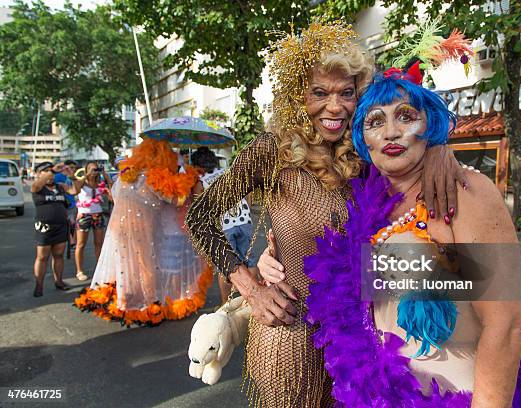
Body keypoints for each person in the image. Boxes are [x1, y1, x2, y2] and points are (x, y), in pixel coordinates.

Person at [186, 21, 468, 407]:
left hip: (362, 339)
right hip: (290, 332)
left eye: (346, 93)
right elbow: (200, 216)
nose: (334, 107)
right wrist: (251, 287)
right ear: (297, 96)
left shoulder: (368, 151)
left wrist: (438, 151)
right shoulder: (273, 149)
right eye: (320, 92)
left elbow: (409, 153)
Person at [260, 70, 521, 407]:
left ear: (430, 126)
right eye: (375, 122)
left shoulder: (463, 192)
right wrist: (271, 259)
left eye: (406, 116)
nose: (392, 132)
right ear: (363, 139)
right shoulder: (366, 203)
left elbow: (506, 325)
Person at [74, 139, 213, 326]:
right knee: (146, 267)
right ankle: (148, 308)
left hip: (118, 229)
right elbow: (176, 200)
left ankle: (123, 303)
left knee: (125, 266)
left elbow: (113, 196)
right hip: (143, 231)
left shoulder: (125, 175)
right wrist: (190, 179)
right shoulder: (153, 178)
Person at [191, 147, 257, 303]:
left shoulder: (201, 182)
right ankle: (252, 301)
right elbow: (247, 192)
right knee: (250, 261)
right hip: (244, 220)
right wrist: (245, 208)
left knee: (226, 265)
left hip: (224, 226)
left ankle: (225, 304)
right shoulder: (228, 173)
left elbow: (199, 208)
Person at [31, 161, 83, 297]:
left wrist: (72, 176)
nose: (51, 174)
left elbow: (75, 190)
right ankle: (39, 285)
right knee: (42, 257)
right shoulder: (37, 187)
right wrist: (53, 170)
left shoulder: (60, 187)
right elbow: (37, 185)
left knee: (58, 256)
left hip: (61, 226)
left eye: (51, 171)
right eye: (46, 171)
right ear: (38, 173)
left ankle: (59, 281)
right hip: (44, 228)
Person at [74, 162, 112, 281]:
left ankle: (99, 269)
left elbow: (112, 189)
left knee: (99, 243)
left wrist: (105, 174)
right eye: (91, 169)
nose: (94, 171)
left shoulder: (100, 184)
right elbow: (76, 189)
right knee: (81, 244)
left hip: (98, 214)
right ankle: (79, 271)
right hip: (84, 214)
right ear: (86, 170)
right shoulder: (82, 182)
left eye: (95, 169)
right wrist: (86, 175)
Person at [53, 160, 78, 250]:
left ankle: (72, 242)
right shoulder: (58, 176)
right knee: (66, 223)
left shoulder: (73, 177)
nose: (73, 169)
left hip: (72, 204)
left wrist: (73, 178)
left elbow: (75, 191)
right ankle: (71, 242)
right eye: (71, 167)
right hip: (62, 204)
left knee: (73, 225)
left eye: (74, 168)